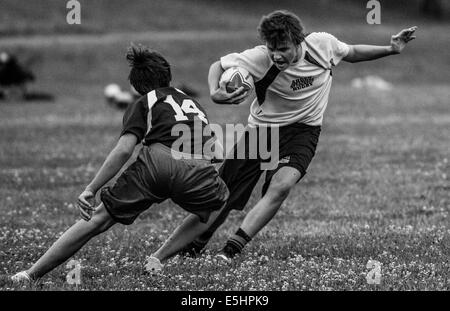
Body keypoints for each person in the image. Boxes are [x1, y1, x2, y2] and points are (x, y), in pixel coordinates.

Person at [181, 10, 417, 261]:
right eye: (272, 48)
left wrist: (391, 49)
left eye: (283, 48)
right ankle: (197, 241)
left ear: (298, 41)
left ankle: (231, 249)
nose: (276, 54)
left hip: (304, 131)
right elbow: (218, 65)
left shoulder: (322, 45)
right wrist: (215, 91)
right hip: (262, 131)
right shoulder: (259, 58)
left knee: (281, 187)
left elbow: (351, 52)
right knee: (224, 195)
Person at [11, 44, 229, 284]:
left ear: (135, 86)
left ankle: (30, 274)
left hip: (157, 164)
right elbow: (217, 152)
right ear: (169, 77)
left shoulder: (144, 102)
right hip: (197, 169)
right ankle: (158, 257)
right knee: (214, 207)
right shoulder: (194, 104)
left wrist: (91, 188)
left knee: (98, 219)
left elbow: (125, 149)